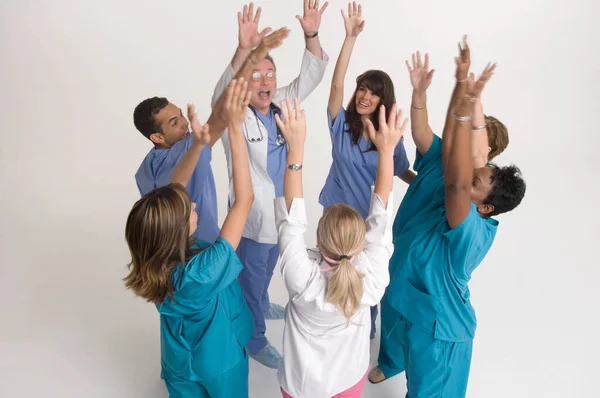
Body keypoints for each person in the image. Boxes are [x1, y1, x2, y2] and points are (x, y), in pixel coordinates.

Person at [368, 37, 527, 397]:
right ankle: (392, 362)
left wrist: (466, 99)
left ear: (487, 154)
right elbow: (435, 140)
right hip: (403, 284)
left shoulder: (469, 220)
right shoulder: (449, 165)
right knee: (393, 329)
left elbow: (458, 181)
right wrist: (454, 91)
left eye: (480, 140)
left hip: (439, 327)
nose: (473, 143)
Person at [209, 1, 330, 368]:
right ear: (243, 85)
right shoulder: (234, 114)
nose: (265, 82)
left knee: (267, 271)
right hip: (255, 221)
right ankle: (255, 338)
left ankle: (262, 303)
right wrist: (246, 50)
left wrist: (311, 33)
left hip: (283, 212)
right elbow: (219, 98)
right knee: (251, 279)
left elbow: (310, 77)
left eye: (270, 74)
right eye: (255, 76)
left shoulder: (279, 103)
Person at [124, 78, 256, 398]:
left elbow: (175, 187)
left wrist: (198, 144)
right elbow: (244, 201)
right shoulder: (206, 268)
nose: (193, 203)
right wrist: (236, 131)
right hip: (219, 365)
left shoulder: (150, 260)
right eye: (189, 209)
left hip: (178, 365)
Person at [274, 97, 405, 397]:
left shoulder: (301, 277)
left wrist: (295, 148)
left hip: (299, 386)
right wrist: (386, 151)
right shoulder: (371, 277)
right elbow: (381, 217)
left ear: (318, 241)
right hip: (348, 381)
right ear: (361, 241)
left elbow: (291, 220)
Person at [319, 1, 412, 339]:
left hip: (368, 224)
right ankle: (329, 325)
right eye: (362, 88)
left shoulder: (389, 136)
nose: (364, 96)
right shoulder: (341, 124)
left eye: (373, 93)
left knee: (365, 283)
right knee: (329, 274)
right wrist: (349, 38)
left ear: (382, 100)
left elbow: (401, 171)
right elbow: (335, 87)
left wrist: (429, 188)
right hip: (336, 216)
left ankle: (362, 329)